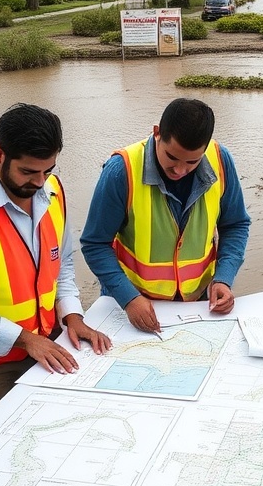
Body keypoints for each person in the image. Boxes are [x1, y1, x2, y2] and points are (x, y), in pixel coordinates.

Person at [0, 103, 111, 430]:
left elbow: (63, 263)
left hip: (48, 344)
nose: (39, 182)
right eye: (28, 172)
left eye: (48, 170)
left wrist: (72, 315)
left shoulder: (53, 192)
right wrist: (25, 339)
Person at [81, 98, 251, 332]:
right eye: (172, 157)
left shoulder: (221, 161)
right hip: (132, 303)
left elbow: (235, 225)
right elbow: (94, 244)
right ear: (157, 133)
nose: (180, 170)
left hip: (198, 303)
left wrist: (223, 278)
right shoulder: (121, 171)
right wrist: (128, 298)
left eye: (192, 161)